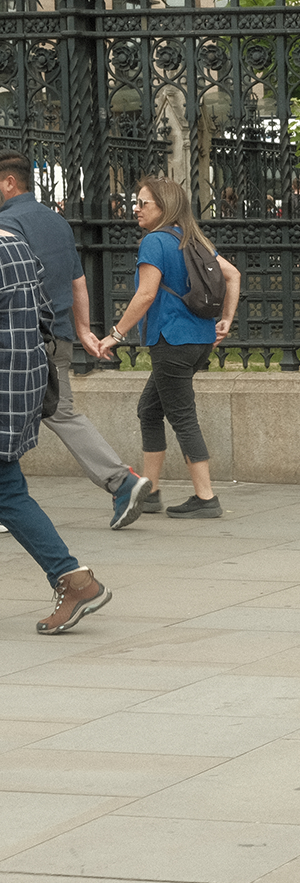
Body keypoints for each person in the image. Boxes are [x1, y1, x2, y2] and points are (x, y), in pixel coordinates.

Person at [0, 150, 152, 529]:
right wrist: (82, 330)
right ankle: (121, 481)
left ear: (8, 183)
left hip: (17, 341)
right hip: (57, 339)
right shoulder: (57, 222)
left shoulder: (6, 226)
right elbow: (77, 281)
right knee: (60, 412)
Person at [94, 176, 241, 520]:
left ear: (164, 207)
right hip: (199, 339)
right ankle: (151, 492)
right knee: (149, 409)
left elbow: (146, 294)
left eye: (143, 203)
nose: (136, 209)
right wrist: (226, 320)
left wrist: (116, 334)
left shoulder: (155, 241)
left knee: (183, 417)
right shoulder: (193, 240)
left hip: (171, 340)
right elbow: (232, 274)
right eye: (137, 202)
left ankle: (206, 497)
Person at [0, 224, 111, 634]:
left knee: (7, 491)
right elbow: (46, 311)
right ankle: (72, 578)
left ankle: (73, 578)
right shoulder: (15, 244)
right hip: (21, 383)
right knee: (7, 489)